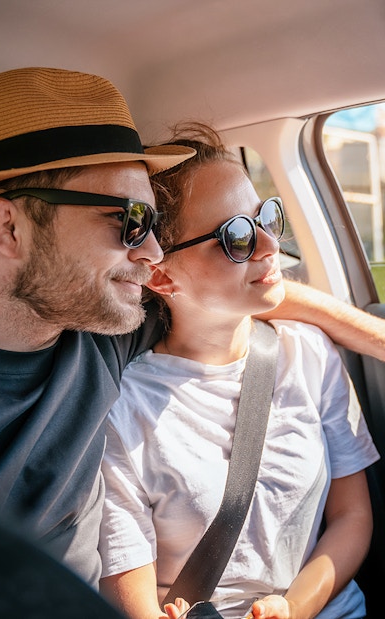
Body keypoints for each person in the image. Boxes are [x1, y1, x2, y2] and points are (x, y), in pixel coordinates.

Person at [0, 68, 382, 591]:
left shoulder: (99, 333)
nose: (153, 254)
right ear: (8, 227)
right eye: (130, 222)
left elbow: (242, 292)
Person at [98, 124, 381, 619]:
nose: (271, 244)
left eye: (265, 217)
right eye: (237, 237)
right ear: (161, 275)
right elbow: (130, 587)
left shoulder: (310, 353)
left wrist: (293, 608)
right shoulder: (122, 406)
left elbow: (352, 516)